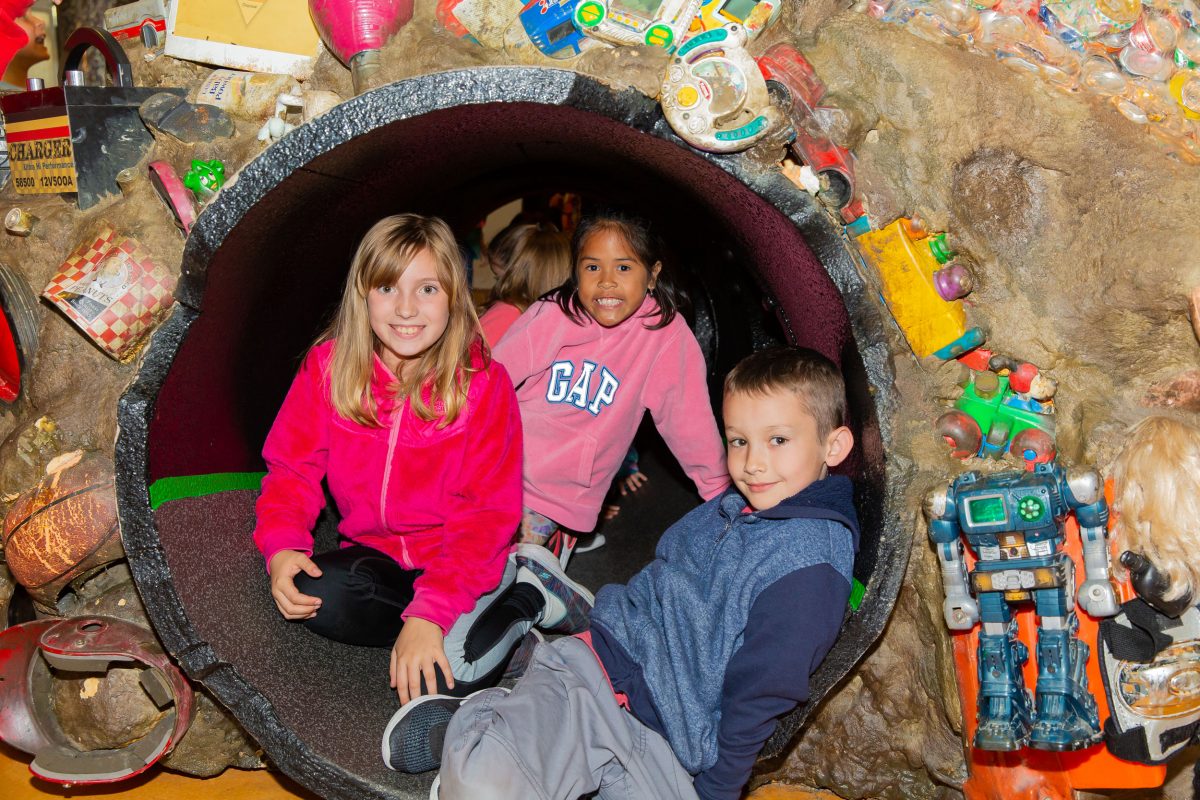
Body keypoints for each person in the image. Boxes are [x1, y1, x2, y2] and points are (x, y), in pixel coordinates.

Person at [386, 345, 859, 800]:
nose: (753, 463)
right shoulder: (731, 510)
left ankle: (523, 734)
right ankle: (477, 721)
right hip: (601, 677)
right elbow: (658, 580)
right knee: (482, 790)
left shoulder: (809, 569)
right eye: (738, 441)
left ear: (833, 445)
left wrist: (716, 789)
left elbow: (760, 694)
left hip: (669, 745)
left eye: (778, 440)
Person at [251, 214, 593, 734]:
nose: (406, 309)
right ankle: (425, 626)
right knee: (313, 595)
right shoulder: (328, 367)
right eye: (387, 287)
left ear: (453, 297)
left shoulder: (484, 386)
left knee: (450, 671)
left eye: (427, 288)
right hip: (380, 557)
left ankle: (527, 592)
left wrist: (429, 614)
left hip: (465, 558)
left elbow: (484, 518)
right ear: (362, 296)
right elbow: (292, 469)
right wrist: (282, 547)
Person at [491, 212, 729, 563]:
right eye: (592, 268)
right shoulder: (555, 313)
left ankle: (561, 601)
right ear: (576, 271)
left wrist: (722, 494)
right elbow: (491, 380)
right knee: (473, 570)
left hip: (563, 497)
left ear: (652, 274)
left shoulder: (663, 336)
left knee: (519, 576)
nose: (606, 282)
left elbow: (689, 423)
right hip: (503, 474)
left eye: (623, 268)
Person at [477, 222, 570, 346]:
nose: (498, 287)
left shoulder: (506, 313)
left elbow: (466, 362)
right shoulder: (566, 321)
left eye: (499, 278)